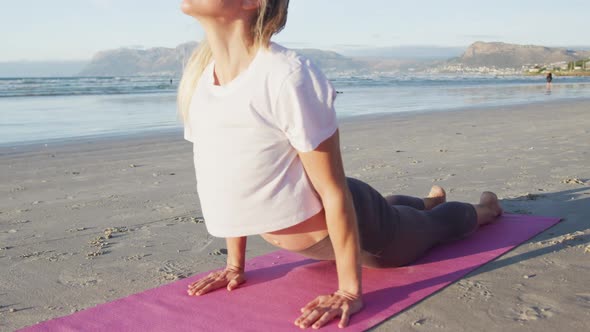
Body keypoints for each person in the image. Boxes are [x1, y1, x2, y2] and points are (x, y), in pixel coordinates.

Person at [178, 0, 503, 329]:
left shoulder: (286, 75)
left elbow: (333, 191)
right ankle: (428, 200)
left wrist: (349, 291)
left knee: (434, 226)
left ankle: (485, 208)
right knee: (395, 209)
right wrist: (235, 265)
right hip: (337, 224)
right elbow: (229, 179)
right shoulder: (202, 81)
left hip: (367, 230)